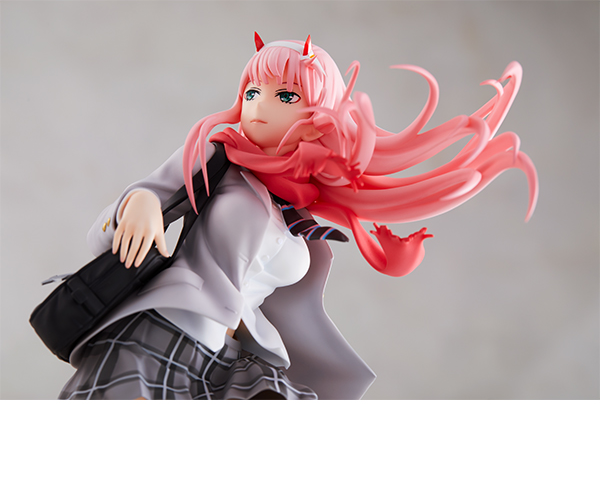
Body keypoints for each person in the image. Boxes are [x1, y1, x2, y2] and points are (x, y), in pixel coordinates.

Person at [59, 33, 538, 400]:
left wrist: (391, 252)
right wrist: (138, 206)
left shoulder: (300, 212)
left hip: (231, 355)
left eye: (285, 96)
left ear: (320, 115)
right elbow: (141, 199)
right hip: (166, 329)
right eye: (252, 91)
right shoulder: (219, 158)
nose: (258, 107)